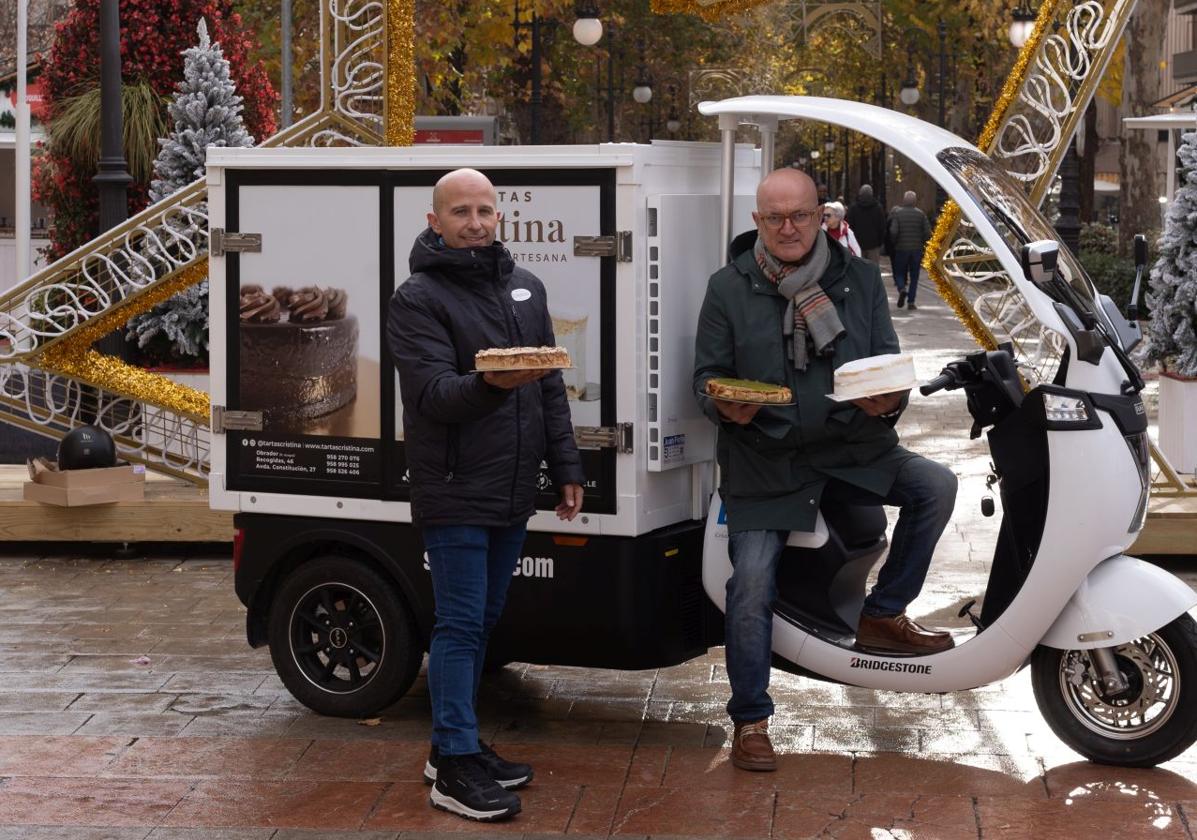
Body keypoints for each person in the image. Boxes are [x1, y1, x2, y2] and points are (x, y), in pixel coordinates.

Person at [692, 168, 957, 773]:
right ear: (757, 222)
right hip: (765, 459)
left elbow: (889, 369)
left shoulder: (860, 279)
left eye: (801, 216)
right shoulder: (727, 288)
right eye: (774, 218)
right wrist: (724, 406)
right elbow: (704, 379)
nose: (789, 229)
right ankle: (752, 719)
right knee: (752, 581)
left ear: (822, 216)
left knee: (936, 486)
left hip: (851, 446)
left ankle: (883, 614)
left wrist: (889, 402)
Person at [388, 168, 585, 822]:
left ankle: (459, 744)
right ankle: (451, 761)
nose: (474, 221)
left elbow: (549, 389)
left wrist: (566, 467)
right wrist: (494, 385)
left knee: (482, 622)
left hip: (511, 489)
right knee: (461, 624)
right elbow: (432, 396)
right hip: (452, 489)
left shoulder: (524, 288)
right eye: (461, 211)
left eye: (484, 210)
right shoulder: (417, 298)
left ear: (499, 216)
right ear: (434, 221)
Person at [887, 190, 932, 310]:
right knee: (914, 276)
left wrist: (895, 242)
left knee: (899, 272)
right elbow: (928, 233)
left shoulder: (898, 214)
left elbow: (893, 231)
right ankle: (911, 301)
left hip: (901, 248)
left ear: (903, 200)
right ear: (915, 201)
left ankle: (902, 288)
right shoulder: (921, 214)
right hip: (916, 249)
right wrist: (922, 242)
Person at [845, 184, 887, 265]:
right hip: (873, 244)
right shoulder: (878, 208)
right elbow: (882, 227)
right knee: (873, 268)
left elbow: (849, 225)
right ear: (871, 194)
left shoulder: (853, 208)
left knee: (859, 268)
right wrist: (879, 242)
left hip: (857, 243)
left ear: (860, 194)